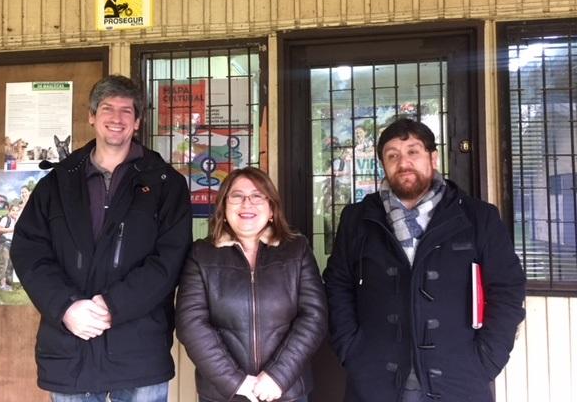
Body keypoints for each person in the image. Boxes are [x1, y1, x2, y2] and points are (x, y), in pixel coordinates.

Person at [11, 75, 192, 402]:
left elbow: (170, 260)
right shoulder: (58, 182)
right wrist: (66, 307)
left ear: (137, 121)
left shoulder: (166, 183)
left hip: (139, 346)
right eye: (107, 108)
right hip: (70, 346)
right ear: (92, 116)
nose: (116, 118)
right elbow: (29, 251)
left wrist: (113, 305)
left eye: (127, 110)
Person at [323, 118, 526, 402]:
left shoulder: (477, 217)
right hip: (374, 379)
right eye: (392, 155)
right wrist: (350, 349)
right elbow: (337, 284)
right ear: (383, 164)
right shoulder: (358, 218)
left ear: (433, 157)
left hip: (459, 378)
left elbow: (507, 289)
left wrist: (486, 361)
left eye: (412, 151)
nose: (403, 162)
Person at [176, 167, 327, 402]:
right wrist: (236, 381)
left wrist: (278, 375)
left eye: (257, 196)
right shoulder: (201, 254)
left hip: (287, 390)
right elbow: (191, 324)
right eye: (237, 196)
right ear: (224, 208)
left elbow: (314, 316)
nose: (247, 203)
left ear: (271, 209)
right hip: (224, 393)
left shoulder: (297, 250)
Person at [0, 203, 20, 291]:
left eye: (17, 210)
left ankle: (7, 284)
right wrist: (11, 230)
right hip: (4, 243)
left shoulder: (15, 220)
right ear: (9, 210)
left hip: (12, 244)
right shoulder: (6, 219)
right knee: (3, 263)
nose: (15, 212)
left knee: (10, 264)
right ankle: (2, 285)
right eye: (13, 210)